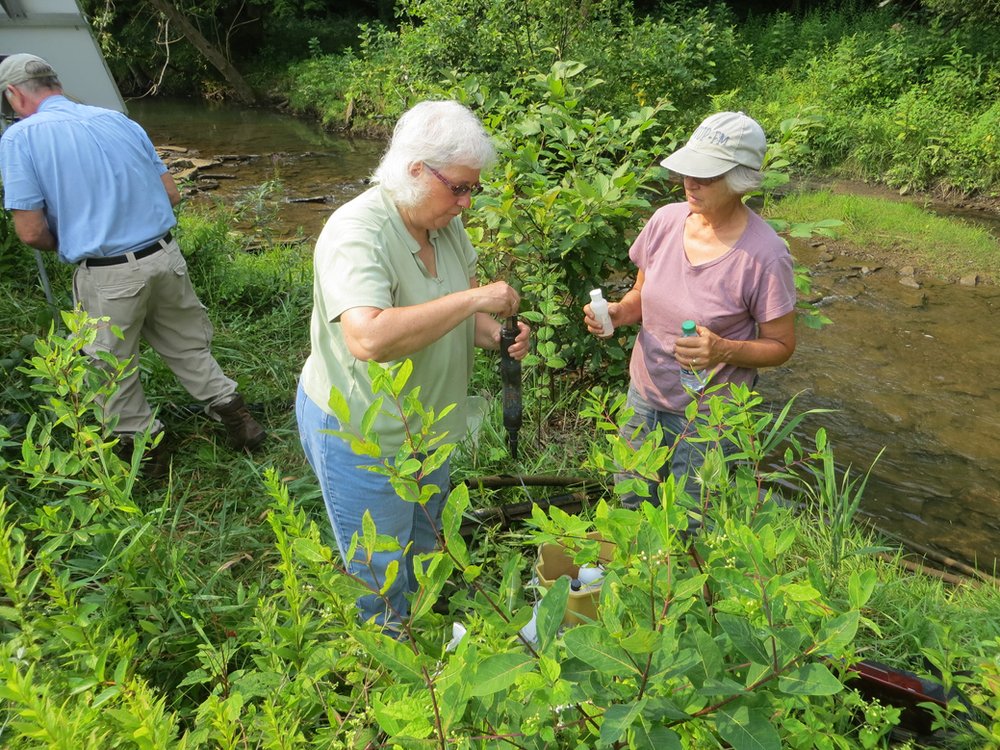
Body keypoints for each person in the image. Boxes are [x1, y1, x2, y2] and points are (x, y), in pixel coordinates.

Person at [295, 100, 530, 633]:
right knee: (379, 567)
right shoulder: (356, 232)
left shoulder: (443, 226)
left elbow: (458, 317)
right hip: (365, 436)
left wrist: (498, 335)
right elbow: (369, 337)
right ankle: (391, 662)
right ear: (416, 170)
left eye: (473, 189)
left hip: (429, 427)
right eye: (459, 188)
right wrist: (474, 300)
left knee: (428, 543)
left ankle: (433, 638)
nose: (466, 203)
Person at [0, 54, 265, 472]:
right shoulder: (117, 120)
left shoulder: (20, 138)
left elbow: (30, 232)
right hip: (165, 255)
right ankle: (235, 414)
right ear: (55, 83)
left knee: (111, 369)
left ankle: (147, 454)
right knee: (187, 344)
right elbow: (172, 194)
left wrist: (77, 239)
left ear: (14, 93)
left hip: (108, 272)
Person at [584, 111, 797, 510]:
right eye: (688, 170)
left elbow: (781, 346)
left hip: (709, 416)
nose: (690, 182)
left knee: (691, 517)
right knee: (631, 503)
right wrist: (618, 312)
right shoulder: (665, 221)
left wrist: (722, 350)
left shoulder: (765, 255)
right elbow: (640, 294)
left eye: (706, 175)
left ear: (740, 180)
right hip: (644, 396)